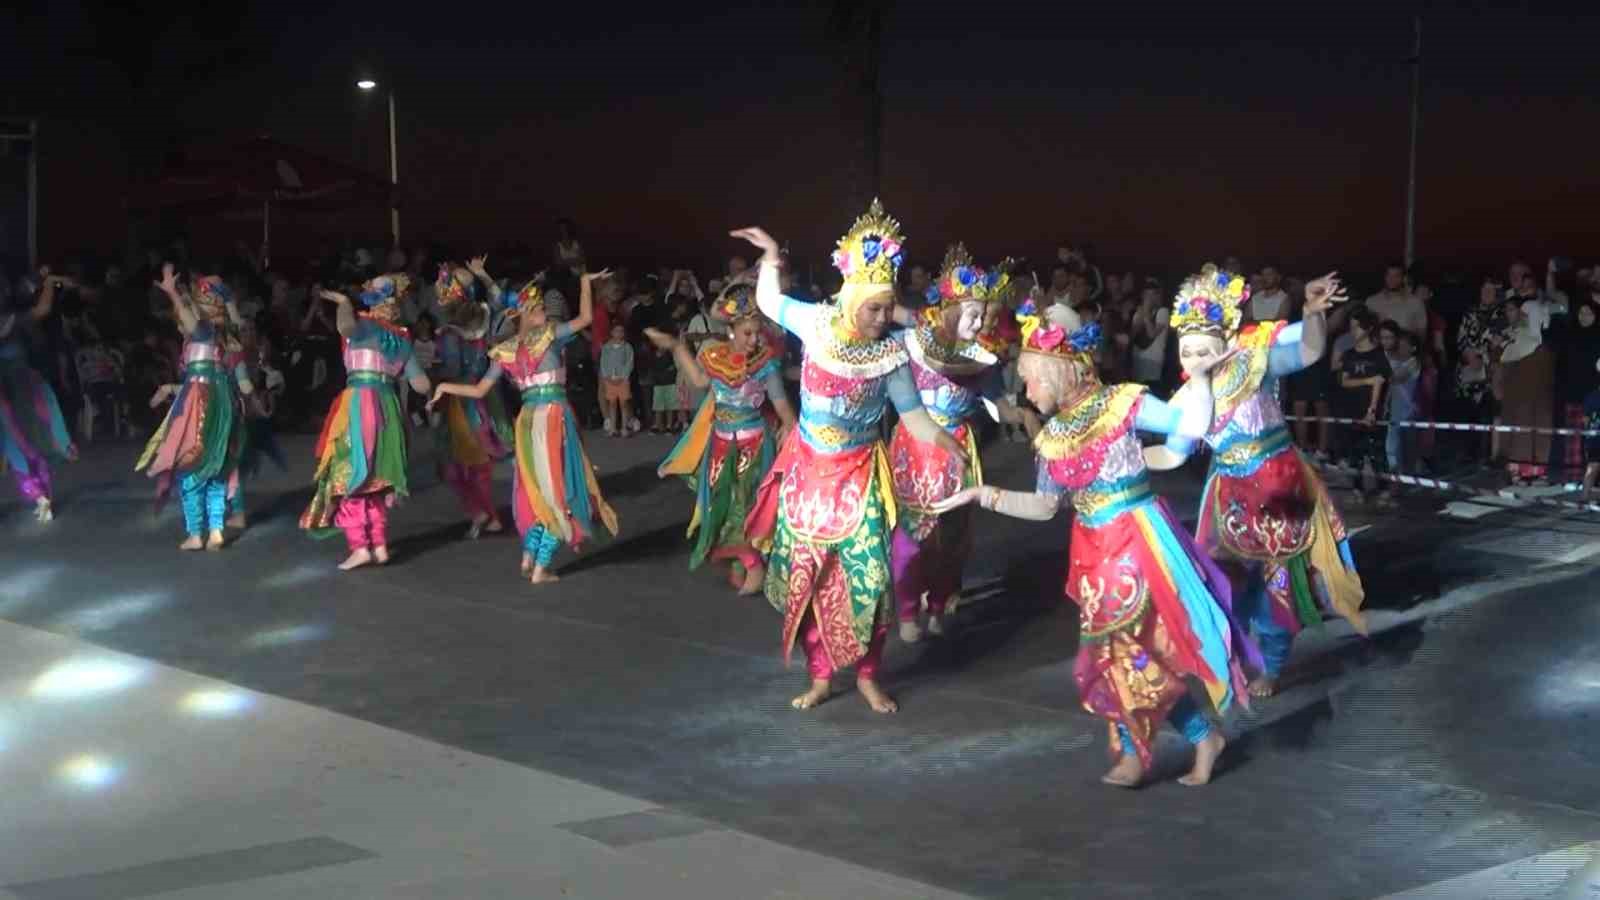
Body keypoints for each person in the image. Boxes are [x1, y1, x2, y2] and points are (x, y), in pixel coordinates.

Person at [936, 298, 1251, 787]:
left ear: (1058, 372)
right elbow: (1046, 506)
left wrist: (1202, 380)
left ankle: (1151, 749)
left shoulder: (1122, 402)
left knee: (1127, 650)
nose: (1026, 390)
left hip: (1137, 540)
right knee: (1116, 653)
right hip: (1093, 550)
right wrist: (984, 494)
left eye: (1032, 379)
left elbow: (1188, 428)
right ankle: (1189, 739)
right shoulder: (1052, 438)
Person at [734, 203, 963, 715]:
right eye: (873, 309)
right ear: (853, 297)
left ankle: (867, 675)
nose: (882, 319)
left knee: (870, 582)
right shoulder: (815, 324)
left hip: (861, 479)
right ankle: (820, 676)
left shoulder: (892, 355)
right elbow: (769, 301)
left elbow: (914, 418)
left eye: (887, 309)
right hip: (809, 478)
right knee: (810, 578)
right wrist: (770, 256)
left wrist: (947, 444)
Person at [1161, 265, 1367, 698]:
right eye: (1187, 352)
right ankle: (1233, 655)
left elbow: (1309, 350)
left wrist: (1311, 312)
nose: (1195, 360)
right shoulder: (1186, 398)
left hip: (1279, 489)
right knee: (1226, 583)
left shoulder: (1254, 362)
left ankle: (1271, 666)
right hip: (1229, 497)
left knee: (1278, 585)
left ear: (1226, 341)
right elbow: (1171, 454)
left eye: (1204, 350)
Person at [429, 270, 618, 585]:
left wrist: (445, 387)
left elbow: (479, 390)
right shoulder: (549, 335)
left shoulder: (506, 350)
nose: (545, 312)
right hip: (552, 417)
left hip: (528, 420)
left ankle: (530, 553)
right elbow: (585, 318)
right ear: (527, 314)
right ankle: (541, 565)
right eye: (540, 308)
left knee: (537, 486)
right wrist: (586, 282)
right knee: (558, 488)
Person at [887, 245, 1018, 643]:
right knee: (910, 533)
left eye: (983, 314)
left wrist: (1024, 415)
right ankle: (907, 609)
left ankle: (939, 603)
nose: (979, 322)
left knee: (953, 536)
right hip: (914, 446)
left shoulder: (982, 357)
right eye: (972, 313)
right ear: (950, 310)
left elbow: (998, 405)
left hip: (958, 448)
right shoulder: (912, 341)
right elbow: (889, 316)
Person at [647, 280, 797, 592]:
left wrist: (789, 429)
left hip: (754, 445)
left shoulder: (765, 364)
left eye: (757, 333)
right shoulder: (714, 357)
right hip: (720, 443)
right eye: (747, 333)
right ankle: (740, 563)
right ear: (731, 330)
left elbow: (783, 408)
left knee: (745, 504)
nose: (754, 340)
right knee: (722, 504)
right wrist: (677, 347)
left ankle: (752, 563)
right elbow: (699, 381)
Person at [298, 273, 433, 570]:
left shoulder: (365, 325)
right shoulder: (402, 338)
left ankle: (360, 547)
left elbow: (345, 327)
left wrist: (343, 303)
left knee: (350, 473)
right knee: (375, 476)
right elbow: (421, 383)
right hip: (387, 406)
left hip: (361, 403)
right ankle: (380, 544)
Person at [137, 264, 254, 549]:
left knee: (190, 466)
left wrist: (173, 293)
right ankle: (215, 532)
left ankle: (195, 534)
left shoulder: (204, 330)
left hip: (199, 401)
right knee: (215, 467)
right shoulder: (227, 333)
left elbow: (190, 322)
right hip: (219, 399)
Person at [430, 258, 514, 539]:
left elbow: (452, 369)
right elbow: (499, 299)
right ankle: (486, 514)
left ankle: (483, 513)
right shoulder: (485, 316)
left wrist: (436, 377)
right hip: (486, 393)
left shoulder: (450, 334)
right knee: (477, 461)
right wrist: (483, 274)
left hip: (461, 398)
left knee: (457, 463)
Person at [0, 269, 77, 521]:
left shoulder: (15, 319)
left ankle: (40, 496)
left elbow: (42, 310)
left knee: (16, 442)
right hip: (22, 388)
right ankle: (42, 496)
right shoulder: (16, 320)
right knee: (32, 438)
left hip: (11, 394)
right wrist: (50, 282)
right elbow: (43, 309)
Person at [1499, 274, 1556, 485]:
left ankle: (1538, 471)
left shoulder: (1543, 336)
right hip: (1516, 393)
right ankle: (1516, 471)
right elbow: (1501, 360)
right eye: (1508, 310)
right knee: (1517, 428)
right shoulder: (1507, 335)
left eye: (1513, 309)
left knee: (1540, 426)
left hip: (1540, 391)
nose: (1511, 313)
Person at [1336, 307, 1393, 505]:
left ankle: (1384, 489)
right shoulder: (1349, 355)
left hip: (1373, 411)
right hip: (1352, 409)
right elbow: (1344, 381)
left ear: (1367, 329)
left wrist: (1373, 410)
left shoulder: (1378, 355)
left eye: (1356, 327)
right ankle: (1357, 489)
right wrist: (1367, 380)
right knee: (1355, 453)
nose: (1353, 331)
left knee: (1377, 453)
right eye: (1351, 327)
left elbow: (1381, 382)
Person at [1380, 322, 1421, 475]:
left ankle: (1410, 474)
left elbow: (1396, 379)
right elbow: (1392, 387)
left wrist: (1384, 363)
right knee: (1392, 443)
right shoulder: (1398, 362)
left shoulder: (1413, 362)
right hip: (1395, 410)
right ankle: (1396, 474)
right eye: (1400, 345)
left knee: (1407, 445)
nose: (1400, 348)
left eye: (1404, 346)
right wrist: (1386, 404)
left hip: (1409, 411)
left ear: (1413, 348)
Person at [599, 324, 635, 436]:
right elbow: (603, 362)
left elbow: (630, 363)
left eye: (621, 331)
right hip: (609, 380)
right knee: (612, 403)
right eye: (616, 331)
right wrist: (607, 376)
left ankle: (624, 428)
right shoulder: (606, 347)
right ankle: (613, 428)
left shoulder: (627, 347)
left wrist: (623, 376)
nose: (619, 333)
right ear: (612, 332)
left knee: (624, 403)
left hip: (623, 380)